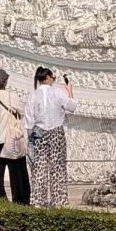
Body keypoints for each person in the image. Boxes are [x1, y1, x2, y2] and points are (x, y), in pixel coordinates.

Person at [24, 67, 77, 208]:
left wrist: (31, 141)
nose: (53, 79)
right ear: (47, 78)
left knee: (38, 167)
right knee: (57, 167)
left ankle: (38, 201)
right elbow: (71, 107)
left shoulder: (33, 95)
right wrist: (70, 91)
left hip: (38, 132)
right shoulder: (59, 92)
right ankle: (59, 201)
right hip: (56, 132)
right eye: (52, 77)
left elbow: (28, 122)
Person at [0, 68, 29, 204]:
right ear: (5, 82)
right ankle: (20, 200)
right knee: (17, 172)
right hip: (10, 139)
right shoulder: (12, 96)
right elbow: (23, 111)